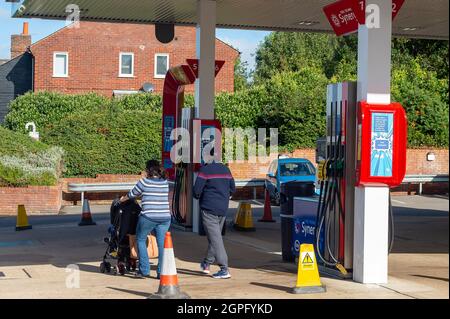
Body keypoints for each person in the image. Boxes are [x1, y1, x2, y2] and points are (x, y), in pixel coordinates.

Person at [120, 160, 170, 279]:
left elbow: (132, 194)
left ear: (148, 170)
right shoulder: (165, 182)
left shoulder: (144, 182)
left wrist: (122, 199)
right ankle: (161, 272)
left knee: (141, 239)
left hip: (148, 217)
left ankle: (144, 270)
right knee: (162, 244)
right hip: (165, 217)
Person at [193, 160, 236, 279]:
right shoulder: (226, 169)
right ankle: (206, 263)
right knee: (215, 236)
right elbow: (233, 189)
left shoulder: (205, 170)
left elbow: (196, 191)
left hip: (208, 208)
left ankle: (224, 268)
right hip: (223, 208)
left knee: (215, 239)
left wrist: (199, 197)